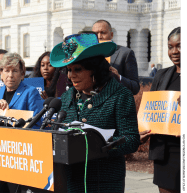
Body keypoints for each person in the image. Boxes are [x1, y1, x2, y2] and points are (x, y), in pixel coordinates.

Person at [49, 32, 140, 192]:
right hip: (71, 180)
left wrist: (98, 146)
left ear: (95, 70)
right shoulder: (66, 96)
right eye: (68, 70)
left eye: (77, 69)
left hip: (104, 182)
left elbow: (131, 139)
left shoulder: (120, 95)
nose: (71, 76)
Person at [0, 52, 42, 193]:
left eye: (15, 71)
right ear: (1, 74)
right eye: (7, 70)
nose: (10, 75)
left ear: (22, 75)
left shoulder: (31, 92)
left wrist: (12, 117)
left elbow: (37, 124)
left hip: (17, 157)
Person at [140, 27, 181, 193]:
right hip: (164, 153)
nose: (174, 51)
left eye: (179, 45)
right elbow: (151, 111)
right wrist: (142, 131)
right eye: (170, 47)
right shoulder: (161, 75)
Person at [92, 19, 140, 95]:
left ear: (111, 35)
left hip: (115, 103)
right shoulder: (88, 54)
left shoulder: (125, 53)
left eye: (103, 33)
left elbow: (135, 87)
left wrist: (118, 77)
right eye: (95, 34)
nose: (99, 36)